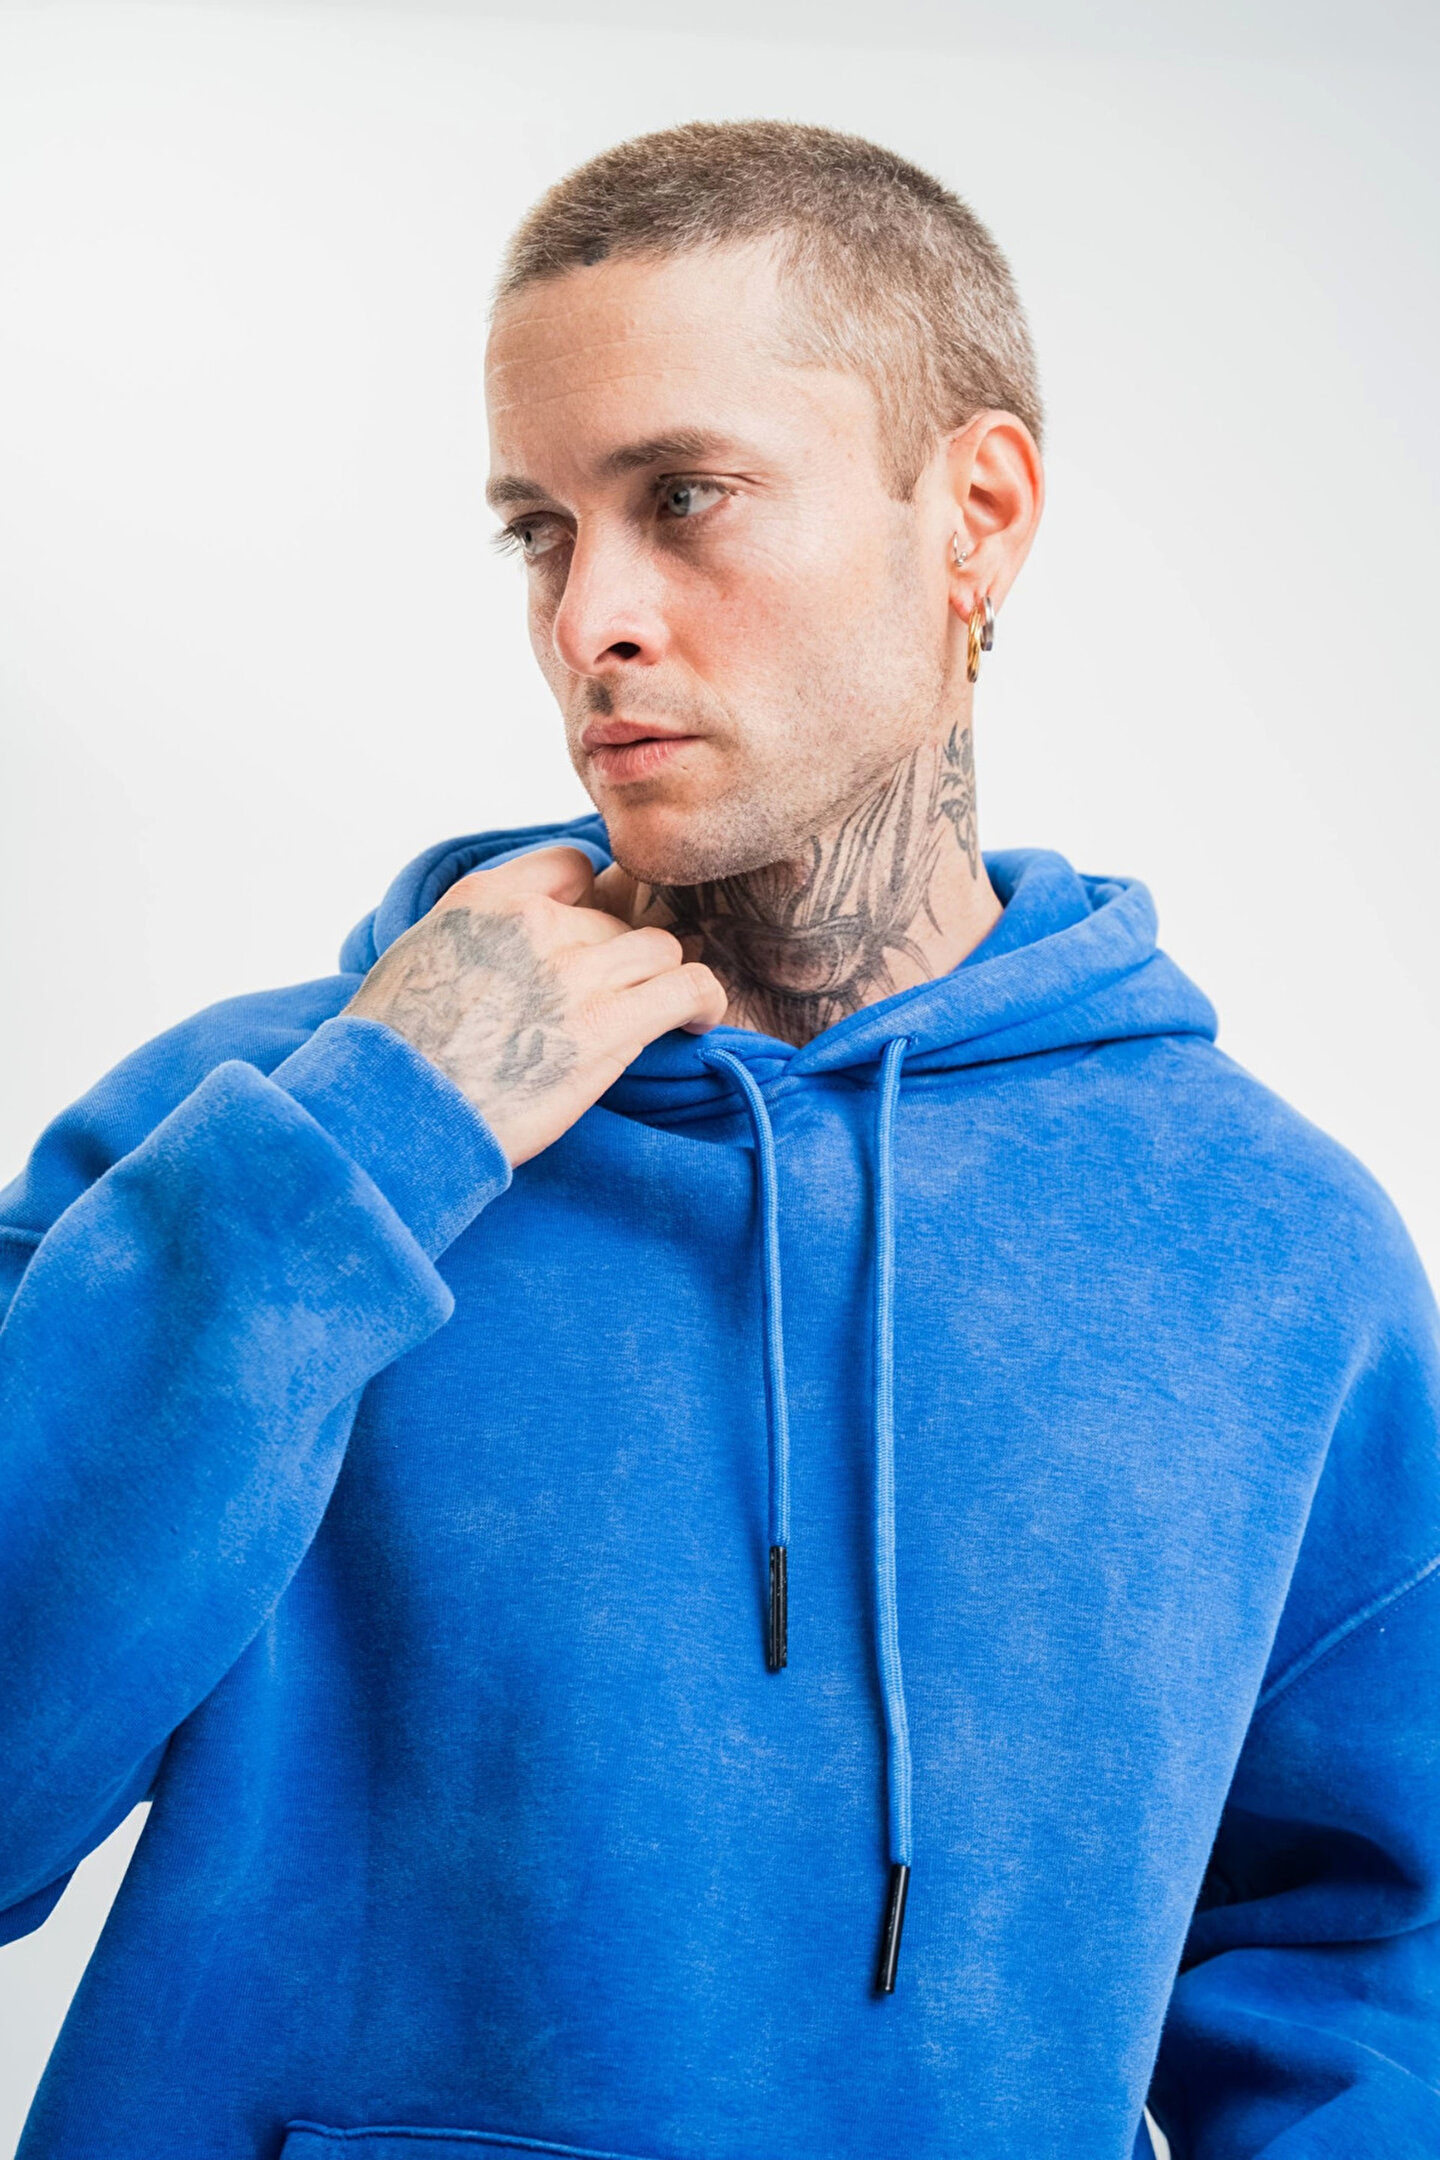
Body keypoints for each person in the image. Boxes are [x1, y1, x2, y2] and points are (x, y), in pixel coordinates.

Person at [1, 118, 1437, 2160]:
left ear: (978, 515)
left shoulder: (1271, 1253)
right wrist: (368, 1157)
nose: (590, 614)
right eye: (539, 529)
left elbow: (1376, 1963)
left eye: (684, 499)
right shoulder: (252, 1146)